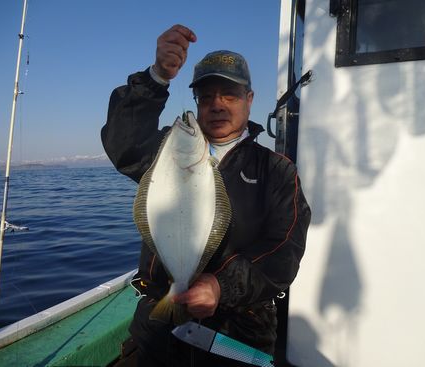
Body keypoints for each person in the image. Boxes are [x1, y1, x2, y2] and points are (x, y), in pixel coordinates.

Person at [101, 24, 311, 367]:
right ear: (196, 102)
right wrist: (156, 77)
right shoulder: (168, 150)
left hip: (240, 335)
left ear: (249, 100)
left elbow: (283, 251)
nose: (217, 105)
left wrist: (220, 286)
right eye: (207, 96)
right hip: (158, 328)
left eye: (229, 94)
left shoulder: (277, 171)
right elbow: (123, 144)